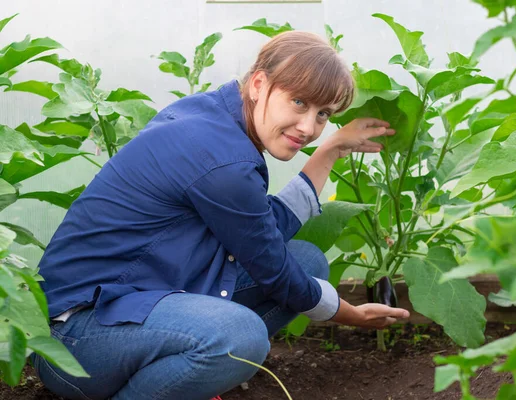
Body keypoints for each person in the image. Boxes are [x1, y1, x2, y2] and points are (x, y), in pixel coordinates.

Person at [30, 31, 410, 400]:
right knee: (238, 337)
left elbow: (261, 231)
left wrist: (330, 150)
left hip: (134, 299)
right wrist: (351, 315)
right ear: (260, 84)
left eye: (323, 114)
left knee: (306, 261)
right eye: (299, 102)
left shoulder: (215, 116)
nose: (309, 127)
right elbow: (273, 270)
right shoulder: (222, 158)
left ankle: (184, 377)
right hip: (75, 340)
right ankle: (177, 374)